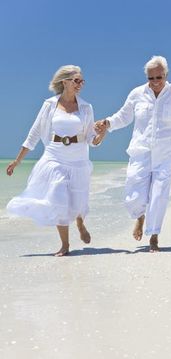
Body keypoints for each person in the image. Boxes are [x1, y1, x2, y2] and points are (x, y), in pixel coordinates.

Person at [95, 55, 171, 252]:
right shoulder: (137, 94)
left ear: (166, 75)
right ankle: (140, 217)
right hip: (140, 151)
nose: (155, 82)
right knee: (133, 195)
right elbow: (123, 116)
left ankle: (154, 236)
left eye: (159, 77)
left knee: (159, 195)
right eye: (151, 78)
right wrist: (108, 123)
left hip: (165, 154)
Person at [6, 65, 106, 256]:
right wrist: (18, 161)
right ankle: (65, 245)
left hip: (78, 160)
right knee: (58, 198)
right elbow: (34, 133)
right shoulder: (49, 105)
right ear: (65, 82)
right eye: (76, 80)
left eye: (82, 81)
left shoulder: (86, 108)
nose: (80, 84)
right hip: (54, 157)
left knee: (77, 201)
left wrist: (102, 134)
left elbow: (92, 140)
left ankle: (80, 222)